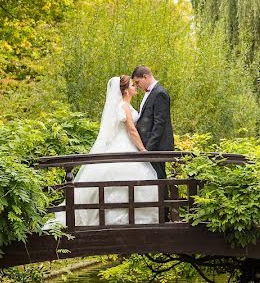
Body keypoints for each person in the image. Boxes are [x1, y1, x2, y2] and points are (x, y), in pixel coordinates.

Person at [47, 76, 158, 228]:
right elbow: (131, 130)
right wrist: (143, 150)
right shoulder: (124, 106)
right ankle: (122, 218)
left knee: (128, 179)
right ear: (125, 90)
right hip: (124, 145)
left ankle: (124, 216)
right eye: (133, 85)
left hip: (125, 145)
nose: (135, 87)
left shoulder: (124, 105)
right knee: (132, 175)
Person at [131, 66, 174, 179]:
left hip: (155, 147)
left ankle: (163, 197)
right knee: (151, 178)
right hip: (147, 146)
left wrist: (148, 150)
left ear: (145, 77)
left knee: (158, 178)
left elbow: (159, 124)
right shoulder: (149, 93)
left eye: (137, 82)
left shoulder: (160, 93)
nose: (137, 85)